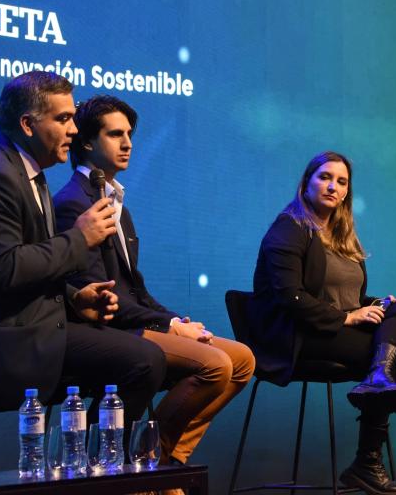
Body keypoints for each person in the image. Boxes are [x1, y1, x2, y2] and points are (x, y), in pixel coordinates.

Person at [0, 72, 165, 423]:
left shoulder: (26, 173)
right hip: (0, 344)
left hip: (31, 327)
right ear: (27, 124)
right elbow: (4, 270)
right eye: (64, 119)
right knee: (145, 360)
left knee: (146, 356)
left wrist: (76, 299)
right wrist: (80, 238)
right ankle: (96, 472)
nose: (74, 130)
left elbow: (30, 266)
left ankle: (93, 468)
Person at [53, 95, 255, 466]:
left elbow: (137, 289)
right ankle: (147, 460)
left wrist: (177, 321)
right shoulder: (73, 204)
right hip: (106, 332)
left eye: (129, 134)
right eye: (116, 134)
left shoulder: (118, 207)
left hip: (136, 323)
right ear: (85, 142)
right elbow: (104, 298)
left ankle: (167, 459)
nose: (128, 143)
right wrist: (169, 327)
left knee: (241, 359)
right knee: (216, 365)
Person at [248, 151, 396, 494]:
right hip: (295, 333)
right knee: (388, 360)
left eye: (341, 182)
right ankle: (367, 462)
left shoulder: (341, 235)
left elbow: (346, 296)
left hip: (332, 324)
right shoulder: (291, 227)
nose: (332, 186)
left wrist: (374, 305)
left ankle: (378, 377)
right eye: (325, 177)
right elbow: (289, 296)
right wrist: (346, 317)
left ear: (346, 193)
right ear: (307, 182)